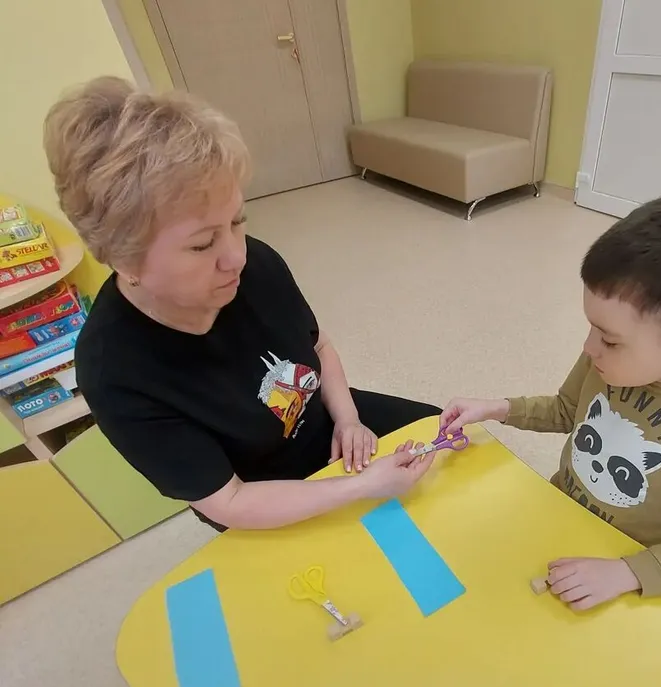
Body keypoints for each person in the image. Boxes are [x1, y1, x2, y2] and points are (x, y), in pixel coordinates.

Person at [43, 78, 439, 531]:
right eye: (202, 244)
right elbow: (228, 500)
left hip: (328, 423)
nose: (236, 257)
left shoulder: (257, 264)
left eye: (237, 221)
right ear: (122, 257)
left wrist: (348, 420)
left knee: (453, 446)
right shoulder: (115, 371)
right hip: (262, 494)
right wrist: (360, 487)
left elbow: (319, 346)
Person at [441, 191, 661, 611]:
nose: (590, 347)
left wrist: (628, 572)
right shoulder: (606, 357)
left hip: (629, 573)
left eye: (610, 339)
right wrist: (497, 408)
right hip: (558, 521)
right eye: (592, 328)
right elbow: (568, 410)